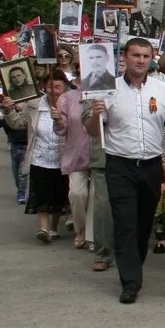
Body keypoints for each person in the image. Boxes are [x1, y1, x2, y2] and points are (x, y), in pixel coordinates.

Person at [83, 38, 165, 305]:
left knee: (142, 224)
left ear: (152, 58)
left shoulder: (162, 90)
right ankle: (130, 281)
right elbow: (94, 131)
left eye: (145, 55)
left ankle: (133, 262)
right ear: (125, 57)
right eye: (135, 55)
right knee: (125, 222)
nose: (140, 60)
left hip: (151, 166)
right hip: (120, 165)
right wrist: (95, 114)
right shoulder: (108, 88)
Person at [5, 71, 72, 244]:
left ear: (65, 87)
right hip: (39, 157)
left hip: (63, 157)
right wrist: (8, 109)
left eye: (57, 86)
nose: (53, 90)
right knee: (41, 193)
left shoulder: (72, 104)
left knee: (59, 194)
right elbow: (17, 123)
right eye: (50, 86)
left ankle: (54, 227)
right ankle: (43, 228)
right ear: (43, 87)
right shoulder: (35, 104)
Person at [56, 75, 93, 251]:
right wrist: (57, 120)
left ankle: (93, 235)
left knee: (96, 197)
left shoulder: (109, 93)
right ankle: (81, 229)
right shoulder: (68, 98)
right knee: (77, 194)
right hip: (76, 154)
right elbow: (61, 129)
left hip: (102, 154)